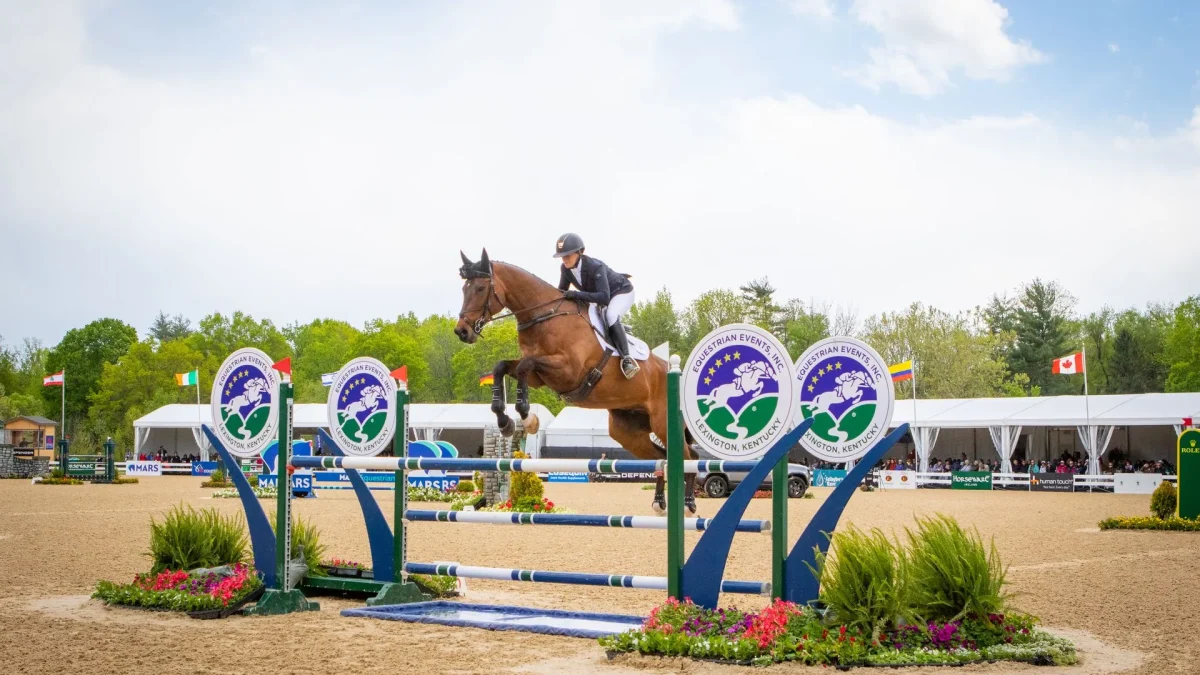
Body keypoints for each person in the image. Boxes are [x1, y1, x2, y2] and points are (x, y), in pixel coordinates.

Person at [553, 233, 639, 379]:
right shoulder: (565, 269)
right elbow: (562, 292)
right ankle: (617, 328)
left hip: (621, 292)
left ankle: (627, 359)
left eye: (568, 254)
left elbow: (604, 297)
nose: (564, 258)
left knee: (611, 315)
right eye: (562, 255)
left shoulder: (595, 267)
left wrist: (576, 294)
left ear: (580, 252)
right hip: (601, 296)